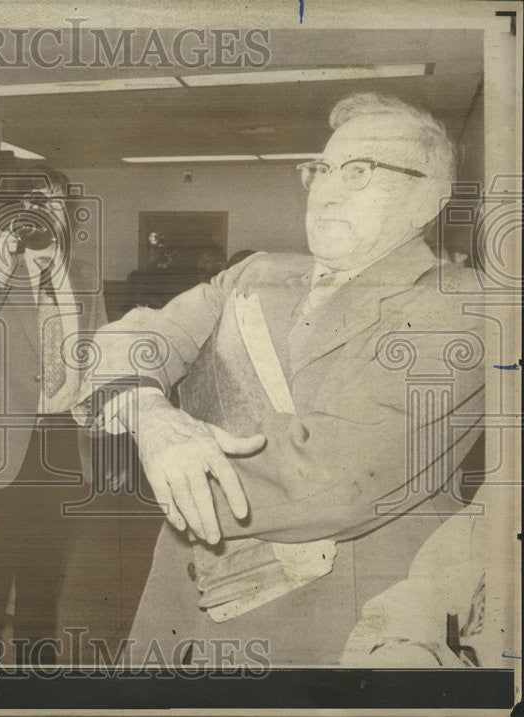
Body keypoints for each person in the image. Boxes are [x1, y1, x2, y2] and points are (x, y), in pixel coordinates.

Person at [76, 92, 485, 666]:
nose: (327, 189)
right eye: (320, 169)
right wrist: (152, 417)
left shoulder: (459, 307)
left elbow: (331, 478)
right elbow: (138, 335)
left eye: (361, 171)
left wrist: (177, 463)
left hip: (329, 626)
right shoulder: (260, 273)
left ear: (428, 198)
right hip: (178, 611)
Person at [0, 152, 108, 665]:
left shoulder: (83, 271)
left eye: (55, 203)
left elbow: (99, 351)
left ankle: (39, 687)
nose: (46, 213)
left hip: (59, 444)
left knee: (43, 591)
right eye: (35, 203)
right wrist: (1, 262)